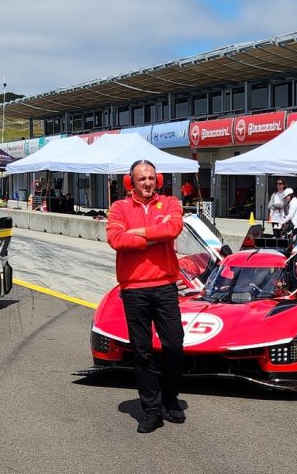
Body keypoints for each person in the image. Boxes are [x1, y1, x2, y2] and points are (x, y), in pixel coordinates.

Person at [105, 160, 187, 434]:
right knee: (142, 351)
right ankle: (152, 409)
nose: (148, 183)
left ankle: (170, 395)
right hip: (134, 289)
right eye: (142, 179)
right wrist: (155, 236)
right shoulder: (119, 208)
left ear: (158, 179)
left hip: (165, 285)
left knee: (174, 345)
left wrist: (138, 233)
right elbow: (117, 240)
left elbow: (173, 229)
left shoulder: (172, 202)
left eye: (152, 177)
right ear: (132, 182)